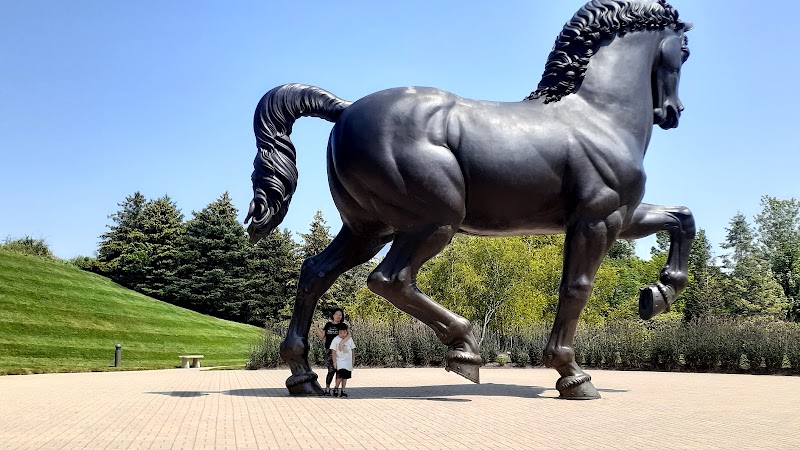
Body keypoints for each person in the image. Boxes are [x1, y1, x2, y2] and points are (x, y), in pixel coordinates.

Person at [312, 308, 343, 395]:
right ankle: (327, 387)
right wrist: (316, 327)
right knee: (331, 370)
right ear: (333, 315)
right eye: (337, 314)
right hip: (329, 350)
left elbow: (346, 338)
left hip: (339, 351)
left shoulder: (342, 326)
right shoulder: (328, 325)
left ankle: (336, 388)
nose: (338, 316)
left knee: (339, 370)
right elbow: (322, 336)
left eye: (340, 315)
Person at [329, 323, 355, 397]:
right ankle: (336, 387)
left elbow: (353, 350)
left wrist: (353, 360)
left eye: (344, 332)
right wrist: (334, 362)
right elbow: (333, 351)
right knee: (340, 375)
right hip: (340, 360)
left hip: (348, 361)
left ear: (347, 332)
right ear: (338, 332)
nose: (342, 334)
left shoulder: (350, 339)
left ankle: (343, 390)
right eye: (340, 333)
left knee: (345, 376)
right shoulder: (336, 339)